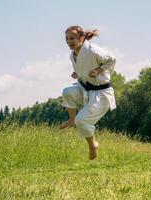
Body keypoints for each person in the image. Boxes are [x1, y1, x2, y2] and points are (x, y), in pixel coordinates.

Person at [60, 25, 116, 160]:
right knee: (67, 92)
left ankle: (93, 145)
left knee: (82, 121)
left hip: (101, 94)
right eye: (66, 38)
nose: (69, 41)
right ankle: (71, 119)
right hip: (85, 90)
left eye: (72, 38)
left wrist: (98, 71)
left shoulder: (93, 50)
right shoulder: (73, 55)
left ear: (81, 38)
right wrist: (77, 73)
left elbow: (112, 59)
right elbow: (83, 67)